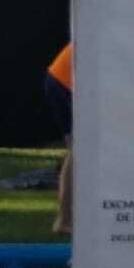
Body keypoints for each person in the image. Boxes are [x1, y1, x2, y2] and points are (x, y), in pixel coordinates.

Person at [44, 43, 74, 236]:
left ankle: (67, 217)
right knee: (79, 151)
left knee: (78, 151)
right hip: (63, 81)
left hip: (62, 78)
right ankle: (63, 220)